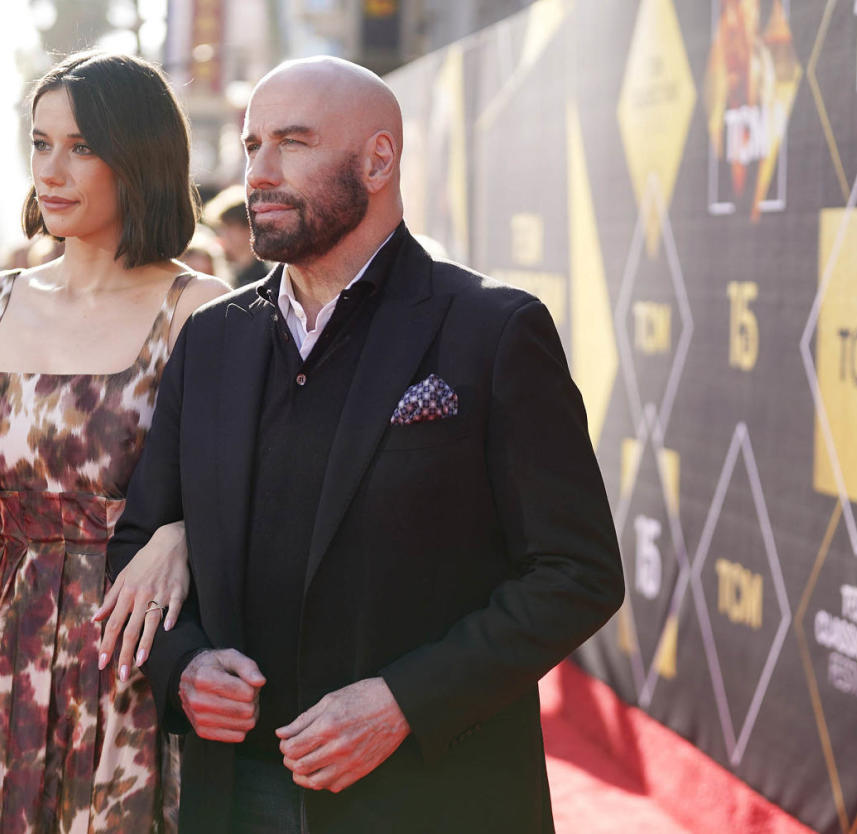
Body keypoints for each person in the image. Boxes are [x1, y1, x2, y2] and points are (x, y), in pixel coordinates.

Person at [105, 56, 625, 833]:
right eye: (251, 147)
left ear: (378, 159)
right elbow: (142, 541)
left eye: (293, 143)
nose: (260, 172)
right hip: (235, 796)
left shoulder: (493, 329)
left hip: (431, 795)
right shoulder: (211, 341)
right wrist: (183, 669)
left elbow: (576, 572)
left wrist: (404, 703)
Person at [0, 51, 227, 834]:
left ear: (140, 158)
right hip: (6, 652)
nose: (52, 170)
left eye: (82, 147)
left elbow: (236, 493)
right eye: (41, 142)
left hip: (132, 661)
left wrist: (183, 530)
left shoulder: (200, 307)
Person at [203, 184, 267, 288]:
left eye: (229, 226)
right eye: (222, 227)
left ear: (249, 226)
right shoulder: (227, 274)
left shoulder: (268, 275)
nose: (223, 234)